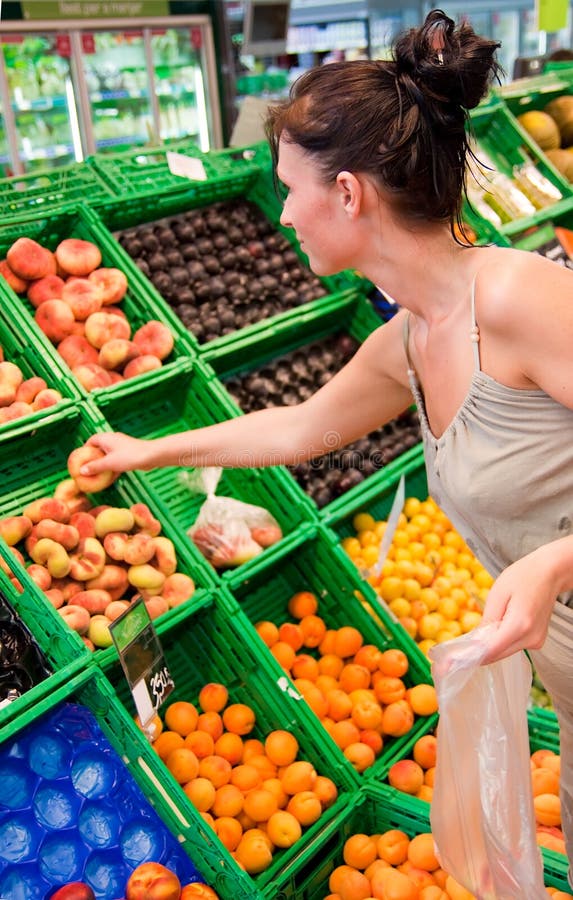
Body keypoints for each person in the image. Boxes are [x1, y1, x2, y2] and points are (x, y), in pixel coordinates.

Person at [81, 8, 573, 868]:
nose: (282, 212)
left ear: (346, 193)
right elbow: (301, 427)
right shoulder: (412, 342)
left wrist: (555, 561)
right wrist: (149, 452)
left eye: (288, 185)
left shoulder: (517, 298)